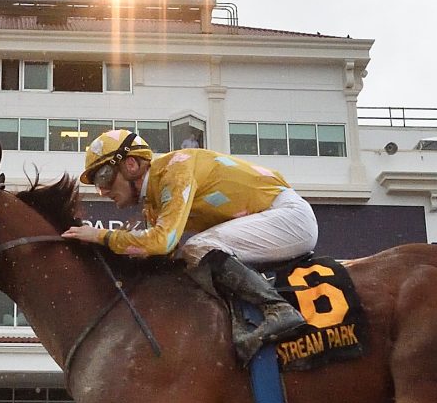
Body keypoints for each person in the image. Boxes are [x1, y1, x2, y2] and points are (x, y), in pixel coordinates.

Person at [64, 128, 314, 363]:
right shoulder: (153, 205)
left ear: (131, 165)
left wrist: (101, 236)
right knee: (190, 256)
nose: (102, 190)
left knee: (199, 247)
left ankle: (278, 309)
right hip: (270, 220)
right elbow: (167, 258)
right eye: (97, 183)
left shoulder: (175, 169)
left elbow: (163, 242)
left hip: (289, 217)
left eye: (104, 176)